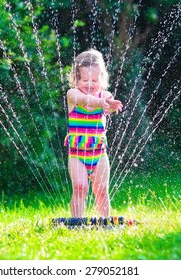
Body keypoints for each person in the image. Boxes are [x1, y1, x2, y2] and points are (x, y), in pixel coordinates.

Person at [64, 49, 123, 218]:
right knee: (80, 187)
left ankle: (105, 222)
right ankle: (77, 222)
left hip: (99, 153)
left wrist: (111, 105)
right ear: (76, 79)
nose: (89, 84)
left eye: (95, 80)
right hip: (77, 154)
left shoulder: (104, 95)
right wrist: (100, 103)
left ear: (102, 79)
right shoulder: (72, 95)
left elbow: (108, 103)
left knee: (101, 190)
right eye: (84, 79)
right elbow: (86, 101)